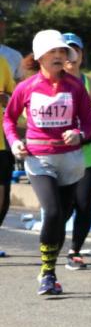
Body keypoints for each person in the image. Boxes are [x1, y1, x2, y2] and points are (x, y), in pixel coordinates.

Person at [3, 30, 91, 295]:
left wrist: (79, 134)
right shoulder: (27, 87)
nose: (58, 56)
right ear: (40, 57)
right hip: (38, 158)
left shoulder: (76, 86)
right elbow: (9, 119)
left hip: (70, 158)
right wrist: (14, 142)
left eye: (62, 52)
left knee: (62, 216)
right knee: (53, 212)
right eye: (52, 52)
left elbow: (89, 121)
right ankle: (48, 273)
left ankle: (49, 268)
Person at [61, 33, 91, 270]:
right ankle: (52, 242)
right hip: (58, 155)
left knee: (84, 205)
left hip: (86, 153)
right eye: (66, 51)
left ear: (82, 55)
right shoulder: (51, 84)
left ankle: (75, 250)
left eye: (76, 51)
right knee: (62, 208)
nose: (71, 57)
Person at [0, 26, 15, 259]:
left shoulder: (2, 61)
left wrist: (6, 98)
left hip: (1, 142)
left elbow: (15, 98)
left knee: (3, 197)